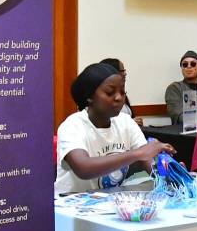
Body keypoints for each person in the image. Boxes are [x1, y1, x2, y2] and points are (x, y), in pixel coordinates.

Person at [55, 63, 174, 194]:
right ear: (89, 97)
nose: (119, 98)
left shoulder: (126, 122)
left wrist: (169, 171)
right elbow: (83, 168)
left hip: (109, 202)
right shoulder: (72, 125)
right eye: (110, 92)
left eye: (122, 92)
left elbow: (149, 163)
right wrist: (137, 154)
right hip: (70, 202)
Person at [164, 50, 197, 126]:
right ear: (182, 68)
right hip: (185, 131)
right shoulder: (174, 88)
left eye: (193, 64)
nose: (189, 66)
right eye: (185, 64)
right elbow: (177, 114)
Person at [99, 57, 143, 126]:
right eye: (122, 70)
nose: (125, 73)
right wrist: (130, 123)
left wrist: (135, 123)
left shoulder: (121, 93)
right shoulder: (102, 98)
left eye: (124, 70)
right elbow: (104, 123)